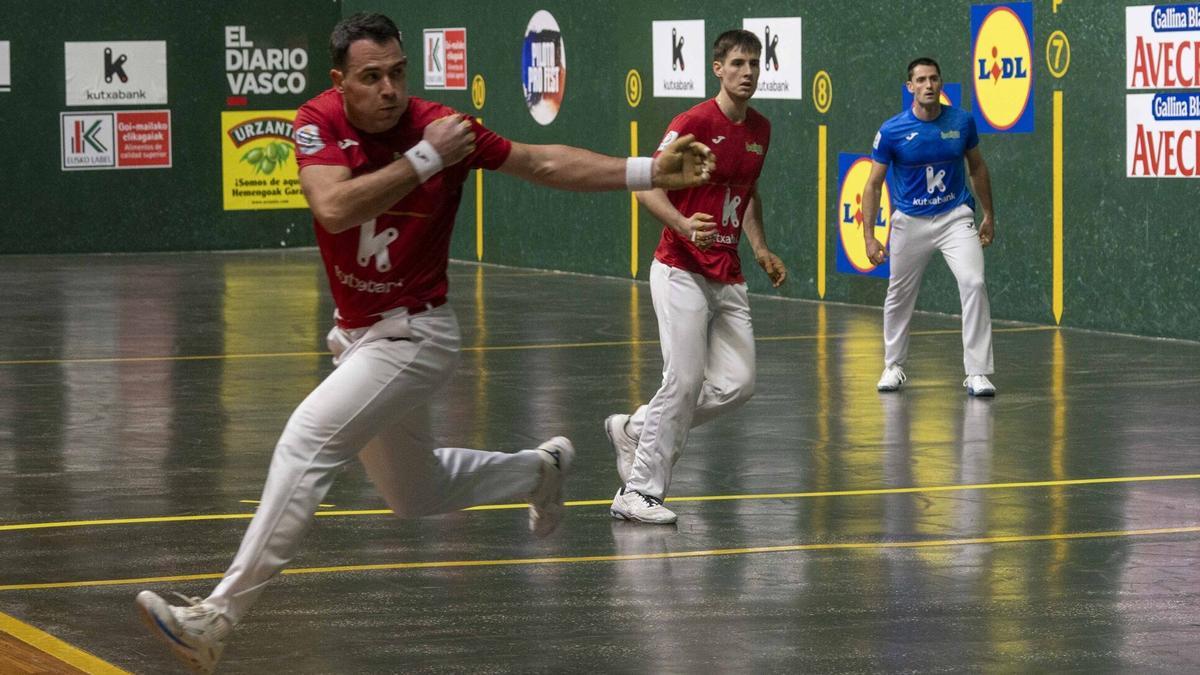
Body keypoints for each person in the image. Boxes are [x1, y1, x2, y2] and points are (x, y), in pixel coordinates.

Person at [134, 12, 714, 673]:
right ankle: (539, 470)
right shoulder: (318, 122)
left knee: (306, 439)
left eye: (398, 73)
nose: (388, 89)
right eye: (371, 77)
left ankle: (216, 617)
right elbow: (333, 207)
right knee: (415, 492)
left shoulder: (446, 127)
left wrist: (651, 169)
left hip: (417, 333)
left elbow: (542, 161)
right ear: (340, 82)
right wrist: (426, 156)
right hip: (357, 336)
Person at [604, 29, 787, 525]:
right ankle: (638, 490)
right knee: (683, 379)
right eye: (738, 64)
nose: (748, 72)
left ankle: (637, 427)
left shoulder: (761, 130)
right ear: (717, 69)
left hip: (728, 272)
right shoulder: (693, 122)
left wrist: (761, 247)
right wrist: (684, 224)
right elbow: (645, 187)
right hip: (679, 267)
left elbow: (746, 192)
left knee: (739, 384)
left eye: (755, 63)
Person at [862, 57, 997, 397]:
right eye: (920, 80)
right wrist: (869, 236)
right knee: (898, 294)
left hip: (955, 217)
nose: (928, 85)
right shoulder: (892, 130)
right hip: (910, 222)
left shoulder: (962, 122)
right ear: (910, 87)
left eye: (933, 79)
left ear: (941, 83)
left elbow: (977, 168)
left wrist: (988, 214)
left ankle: (977, 372)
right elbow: (873, 184)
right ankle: (893, 365)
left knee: (974, 281)